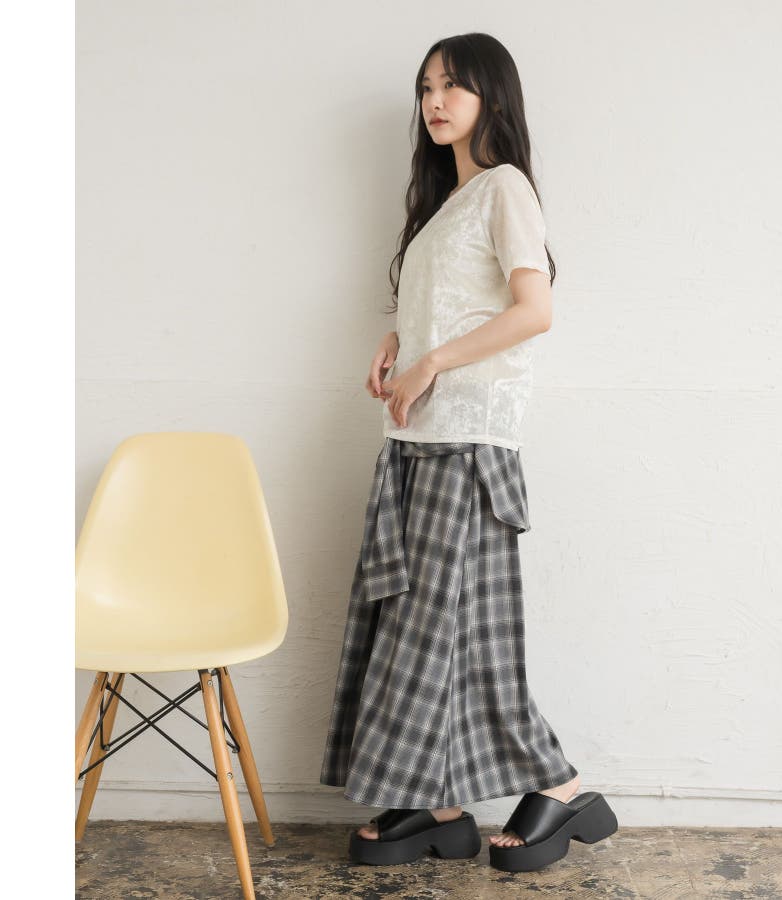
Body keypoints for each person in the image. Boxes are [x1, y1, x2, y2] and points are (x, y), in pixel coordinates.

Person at [319, 32, 617, 872]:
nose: (435, 101)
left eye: (453, 85)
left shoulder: (504, 188)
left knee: (457, 636)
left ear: (492, 96)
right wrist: (398, 339)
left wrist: (433, 361)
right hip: (418, 438)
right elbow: (454, 302)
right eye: (426, 88)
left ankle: (561, 784)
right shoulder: (442, 205)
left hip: (469, 444)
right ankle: (440, 804)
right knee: (419, 631)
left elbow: (534, 311)